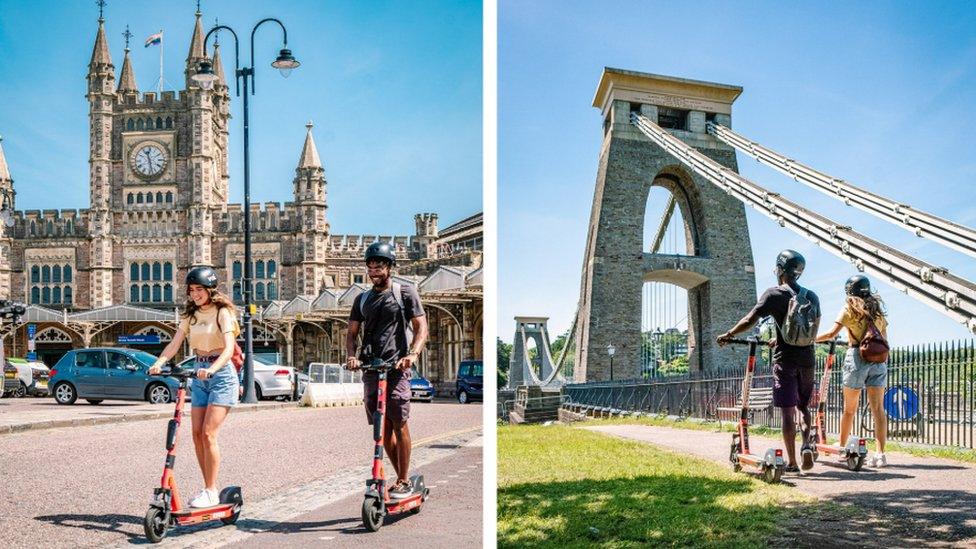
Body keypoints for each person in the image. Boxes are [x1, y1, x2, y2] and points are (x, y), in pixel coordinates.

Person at [717, 250, 821, 473]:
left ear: (781, 270)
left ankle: (793, 462)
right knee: (803, 407)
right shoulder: (812, 296)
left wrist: (729, 334)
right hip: (808, 360)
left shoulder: (773, 295)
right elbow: (811, 333)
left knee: (787, 411)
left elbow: (749, 320)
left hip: (785, 361)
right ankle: (805, 445)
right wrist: (781, 335)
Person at [149, 266, 240, 507]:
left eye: (199, 289)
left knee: (209, 434)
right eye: (191, 290)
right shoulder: (190, 316)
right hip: (199, 374)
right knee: (197, 435)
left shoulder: (223, 313)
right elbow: (174, 343)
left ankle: (211, 490)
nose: (195, 294)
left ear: (210, 289)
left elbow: (229, 348)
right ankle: (208, 488)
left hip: (221, 375)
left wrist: (212, 368)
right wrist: (159, 362)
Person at [345, 242, 429, 499]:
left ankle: (404, 479)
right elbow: (351, 333)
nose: (374, 272)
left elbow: (421, 328)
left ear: (390, 266)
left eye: (379, 267)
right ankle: (399, 476)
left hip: (396, 368)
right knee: (381, 430)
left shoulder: (405, 292)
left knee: (399, 422)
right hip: (371, 369)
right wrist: (351, 356)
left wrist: (412, 354)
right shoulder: (362, 299)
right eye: (370, 267)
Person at [815, 274, 889, 467]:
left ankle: (841, 447)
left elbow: (831, 333)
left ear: (849, 291)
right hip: (879, 359)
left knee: (849, 409)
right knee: (878, 409)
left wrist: (808, 338)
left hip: (857, 357)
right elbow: (885, 337)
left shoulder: (849, 308)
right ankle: (880, 455)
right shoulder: (877, 310)